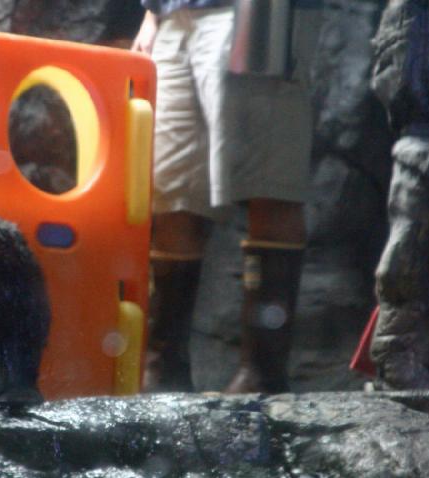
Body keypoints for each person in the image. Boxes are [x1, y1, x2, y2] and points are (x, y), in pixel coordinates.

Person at [132, 0, 319, 393]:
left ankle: (261, 377)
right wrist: (152, 15)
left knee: (267, 185)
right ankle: (162, 371)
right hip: (173, 18)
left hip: (255, 12)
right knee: (172, 195)